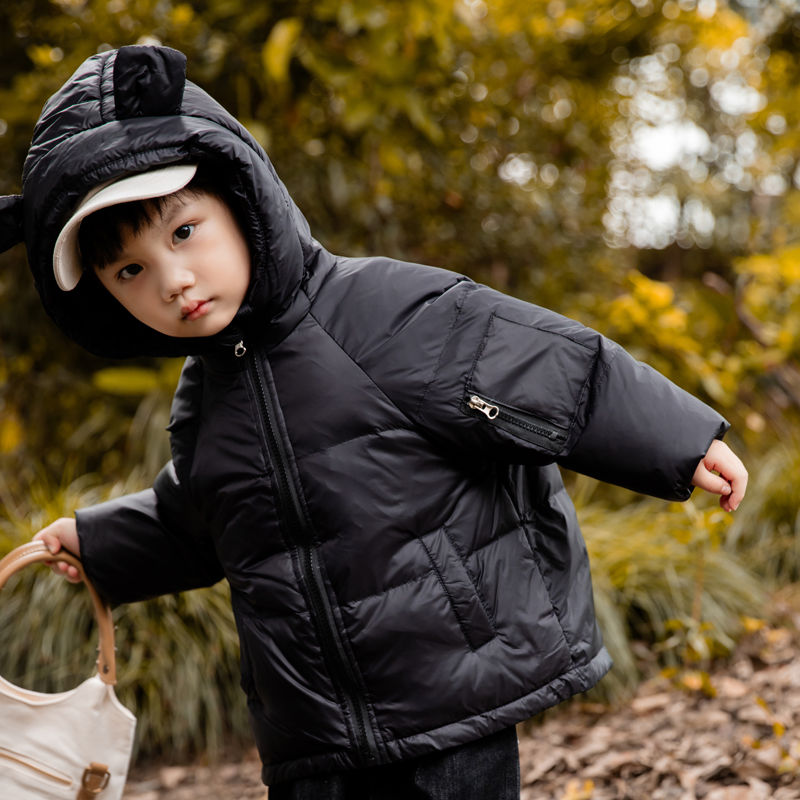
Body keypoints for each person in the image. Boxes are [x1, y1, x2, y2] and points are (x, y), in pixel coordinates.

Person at [0, 45, 746, 799]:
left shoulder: (383, 313)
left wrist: (679, 444)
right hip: (312, 728)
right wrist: (98, 543)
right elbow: (199, 519)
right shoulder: (203, 401)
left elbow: (554, 373)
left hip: (452, 694)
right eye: (131, 271)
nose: (174, 280)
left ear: (240, 197)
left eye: (183, 233)